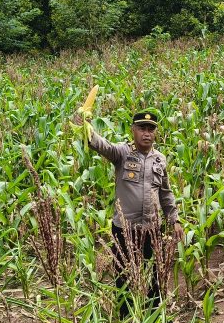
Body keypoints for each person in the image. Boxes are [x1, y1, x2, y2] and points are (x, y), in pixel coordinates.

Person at [74, 108, 184, 305]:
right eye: (142, 128)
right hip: (125, 229)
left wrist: (174, 219)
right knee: (124, 277)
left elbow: (165, 193)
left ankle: (153, 320)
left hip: (152, 228)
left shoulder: (160, 159)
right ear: (133, 130)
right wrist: (85, 125)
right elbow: (100, 144)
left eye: (151, 129)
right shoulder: (122, 153)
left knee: (155, 277)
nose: (147, 133)